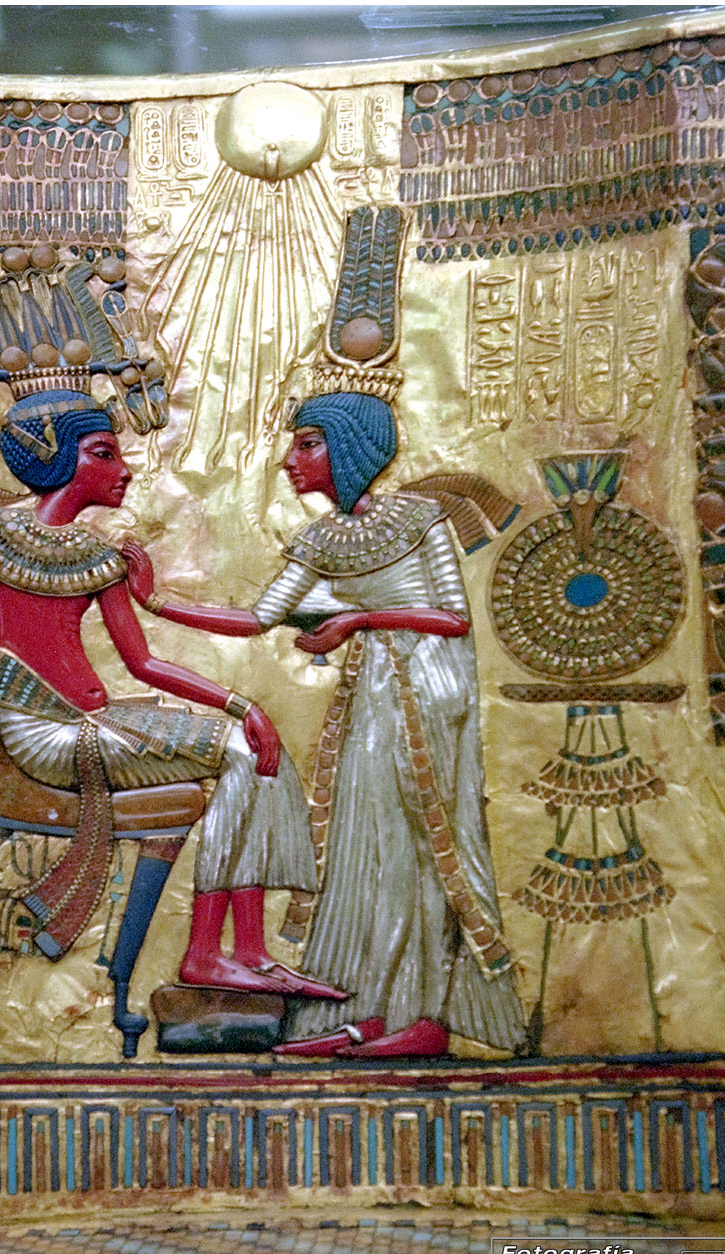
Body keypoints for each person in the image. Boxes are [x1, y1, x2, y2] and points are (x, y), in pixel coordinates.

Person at [0, 388, 345, 1001]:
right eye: (103, 454)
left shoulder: (98, 557)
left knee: (252, 748)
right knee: (248, 756)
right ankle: (213, 954)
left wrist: (241, 706)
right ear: (59, 458)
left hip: (87, 722)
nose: (125, 470)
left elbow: (143, 664)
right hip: (44, 737)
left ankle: (242, 952)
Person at [124, 390, 527, 1057]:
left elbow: (453, 618)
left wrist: (359, 619)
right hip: (373, 688)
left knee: (421, 847)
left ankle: (426, 1017)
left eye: (307, 443)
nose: (290, 460)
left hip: (428, 686)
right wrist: (157, 602)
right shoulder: (323, 538)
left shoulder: (420, 518)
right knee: (363, 846)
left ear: (350, 448)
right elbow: (256, 618)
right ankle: (371, 1011)